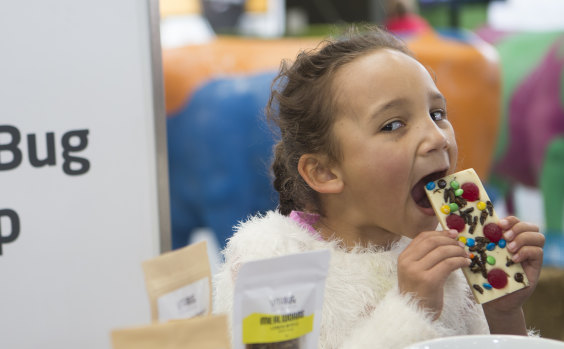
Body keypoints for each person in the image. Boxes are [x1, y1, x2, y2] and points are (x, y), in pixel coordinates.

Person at [213, 25, 545, 348]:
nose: (436, 137)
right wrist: (409, 310)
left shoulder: (453, 258)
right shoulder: (272, 264)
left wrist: (503, 313)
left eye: (437, 113)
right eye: (393, 124)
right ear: (324, 172)